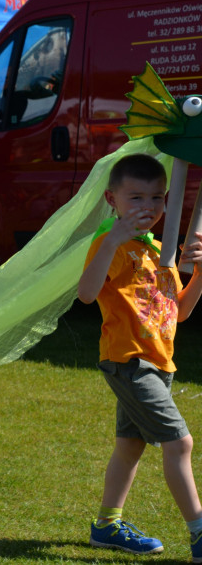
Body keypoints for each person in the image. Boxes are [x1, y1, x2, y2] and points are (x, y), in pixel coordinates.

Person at [77, 153, 202, 558]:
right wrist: (112, 238)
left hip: (159, 362)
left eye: (155, 198)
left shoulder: (159, 251)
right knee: (180, 444)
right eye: (135, 198)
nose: (146, 208)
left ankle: (107, 526)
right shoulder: (110, 243)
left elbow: (178, 312)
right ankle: (200, 531)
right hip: (129, 361)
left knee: (130, 446)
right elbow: (86, 293)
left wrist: (200, 276)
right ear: (113, 199)